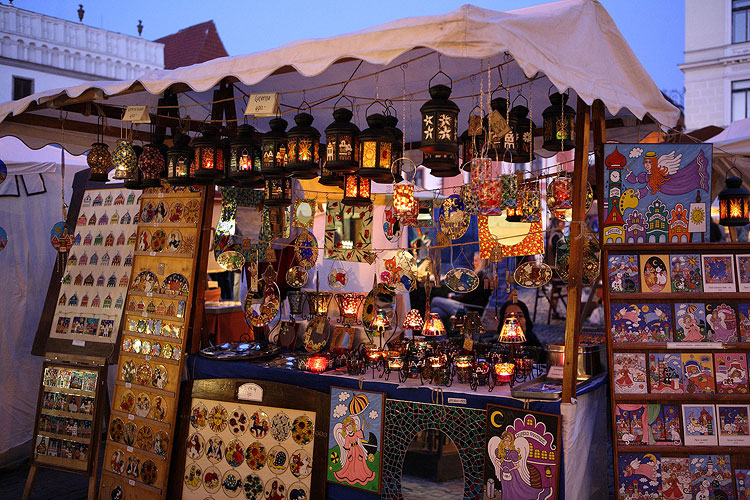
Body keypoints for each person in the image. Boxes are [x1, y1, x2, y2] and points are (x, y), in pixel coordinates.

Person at [430, 252, 492, 325]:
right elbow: (470, 296)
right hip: (467, 305)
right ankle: (441, 336)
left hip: (468, 309)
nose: (473, 263)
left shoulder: (481, 277)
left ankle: (439, 335)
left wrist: (453, 297)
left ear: (482, 262)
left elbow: (469, 297)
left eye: (476, 260)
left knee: (435, 300)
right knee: (436, 311)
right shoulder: (483, 277)